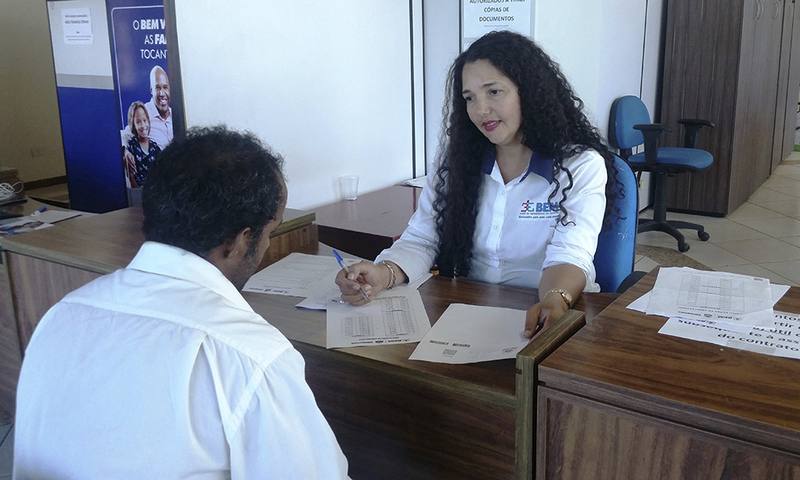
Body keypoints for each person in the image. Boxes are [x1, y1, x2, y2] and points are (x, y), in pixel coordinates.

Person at [14, 127, 349, 479]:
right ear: (240, 241)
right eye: (270, 232)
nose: (266, 246)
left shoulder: (63, 314)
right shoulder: (249, 354)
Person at [336, 31, 620, 338]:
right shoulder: (457, 163)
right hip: (467, 312)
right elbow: (422, 239)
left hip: (548, 314)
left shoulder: (578, 165)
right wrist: (384, 273)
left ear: (530, 92)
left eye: (494, 92)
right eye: (469, 98)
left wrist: (555, 299)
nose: (480, 109)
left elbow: (570, 253)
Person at [124, 100, 161, 188]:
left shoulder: (155, 147)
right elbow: (132, 178)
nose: (143, 125)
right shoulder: (131, 147)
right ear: (133, 125)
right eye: (138, 122)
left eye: (145, 120)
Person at [144, 65, 173, 148]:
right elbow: (125, 136)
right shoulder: (143, 112)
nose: (162, 93)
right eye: (157, 88)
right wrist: (126, 150)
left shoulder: (175, 114)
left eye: (165, 87)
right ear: (151, 90)